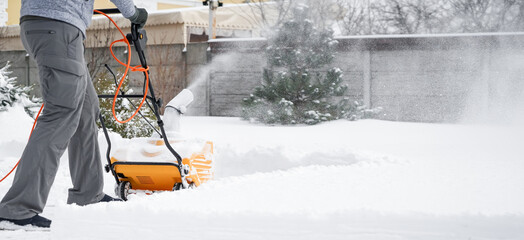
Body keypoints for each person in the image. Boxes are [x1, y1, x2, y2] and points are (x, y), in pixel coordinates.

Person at [0, 0, 147, 229]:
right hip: (58, 26)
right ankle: (17, 209)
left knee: (87, 109)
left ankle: (88, 194)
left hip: (43, 24)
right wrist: (134, 13)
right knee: (61, 113)